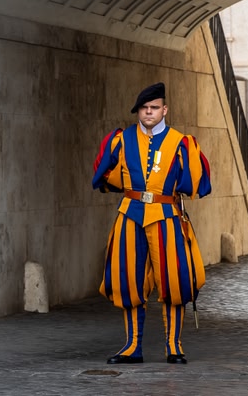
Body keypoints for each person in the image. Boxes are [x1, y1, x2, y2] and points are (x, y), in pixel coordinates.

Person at [91, 82, 211, 365]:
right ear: (138, 111)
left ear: (164, 109)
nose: (149, 112)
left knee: (175, 280)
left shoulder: (181, 142)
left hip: (167, 217)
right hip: (130, 214)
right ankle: (132, 347)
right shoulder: (121, 139)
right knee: (127, 280)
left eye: (154, 108)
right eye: (144, 108)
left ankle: (174, 346)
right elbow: (103, 175)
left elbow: (197, 182)